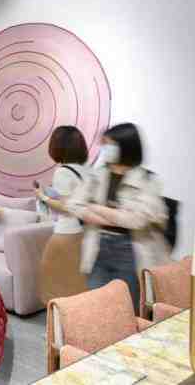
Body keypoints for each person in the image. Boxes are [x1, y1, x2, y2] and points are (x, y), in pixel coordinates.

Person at [68, 123, 169, 312]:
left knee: (126, 309)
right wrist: (117, 217)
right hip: (98, 246)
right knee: (96, 305)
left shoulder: (147, 180)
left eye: (109, 144)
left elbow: (137, 221)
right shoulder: (97, 175)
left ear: (126, 145)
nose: (104, 148)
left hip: (130, 250)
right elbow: (74, 205)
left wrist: (95, 208)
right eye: (104, 144)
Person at [35, 126, 89, 304]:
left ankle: (57, 320)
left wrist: (42, 197)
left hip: (66, 231)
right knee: (76, 283)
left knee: (50, 281)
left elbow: (66, 207)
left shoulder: (63, 172)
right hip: (84, 232)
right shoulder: (86, 171)